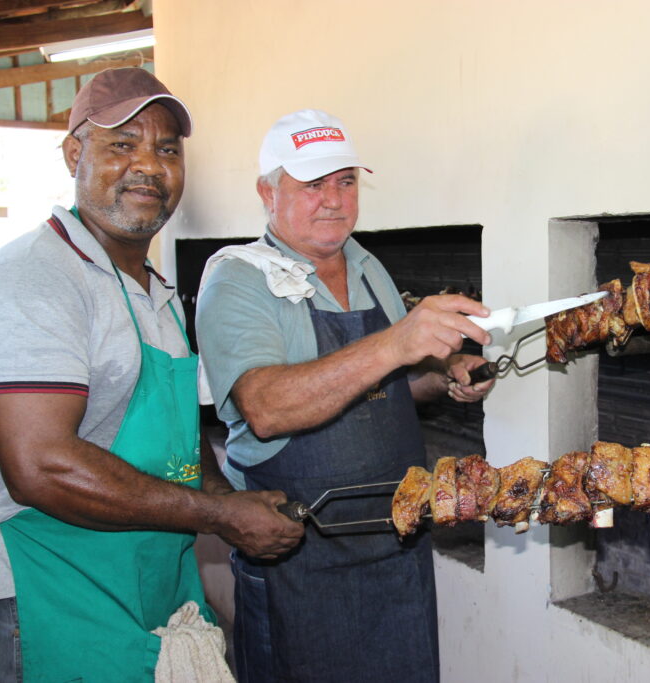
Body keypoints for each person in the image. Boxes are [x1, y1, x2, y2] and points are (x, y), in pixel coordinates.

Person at [0, 68, 304, 682]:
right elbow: (42, 466)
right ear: (73, 153)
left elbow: (175, 437)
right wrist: (216, 516)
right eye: (122, 143)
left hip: (144, 580)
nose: (149, 165)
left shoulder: (153, 289)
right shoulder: (35, 281)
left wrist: (227, 498)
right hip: (48, 592)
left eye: (167, 149)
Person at [195, 109, 495, 682]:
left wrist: (444, 375)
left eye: (346, 181)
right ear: (267, 191)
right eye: (312, 184)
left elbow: (381, 386)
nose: (333, 200)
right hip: (303, 560)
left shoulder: (366, 264)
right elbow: (266, 408)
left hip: (398, 545)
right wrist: (394, 343)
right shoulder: (239, 279)